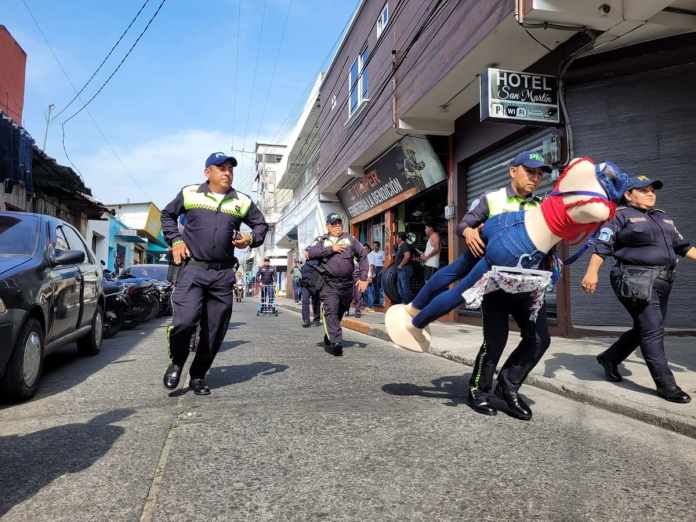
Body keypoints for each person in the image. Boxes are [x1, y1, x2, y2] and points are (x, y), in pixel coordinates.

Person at [581, 175, 696, 404]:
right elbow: (602, 245)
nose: (650, 193)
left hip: (663, 280)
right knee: (652, 329)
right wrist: (591, 272)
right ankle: (667, 385)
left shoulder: (663, 218)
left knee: (646, 327)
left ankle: (610, 358)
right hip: (635, 278)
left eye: (652, 189)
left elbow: (683, 247)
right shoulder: (620, 216)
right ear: (628, 194)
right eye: (643, 190)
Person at [161, 152, 268, 395]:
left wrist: (250, 238)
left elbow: (261, 225)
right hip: (193, 269)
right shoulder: (190, 193)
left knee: (215, 329)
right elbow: (167, 215)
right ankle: (177, 361)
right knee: (184, 321)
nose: (227, 172)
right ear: (207, 172)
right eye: (221, 167)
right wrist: (176, 240)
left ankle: (198, 375)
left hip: (222, 274)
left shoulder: (241, 201)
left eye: (230, 168)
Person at [406, 151, 548, 326]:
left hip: (509, 271)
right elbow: (462, 225)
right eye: (530, 172)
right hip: (480, 253)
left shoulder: (540, 206)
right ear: (513, 171)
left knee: (461, 292)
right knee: (454, 277)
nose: (535, 178)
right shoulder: (493, 198)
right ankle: (414, 308)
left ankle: (416, 317)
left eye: (540, 174)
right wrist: (469, 232)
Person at [307, 213, 368, 356]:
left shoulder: (350, 239)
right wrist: (331, 249)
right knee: (331, 310)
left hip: (347, 284)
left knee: (341, 310)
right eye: (334, 224)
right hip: (329, 284)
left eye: (339, 223)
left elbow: (363, 255)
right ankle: (336, 341)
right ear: (328, 226)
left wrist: (364, 277)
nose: (337, 226)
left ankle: (331, 332)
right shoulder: (322, 240)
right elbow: (309, 253)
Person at [300, 248, 321, 327]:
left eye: (306, 253)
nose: (304, 254)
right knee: (305, 302)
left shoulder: (316, 261)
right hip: (305, 286)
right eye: (304, 253)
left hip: (314, 285)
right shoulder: (306, 262)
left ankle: (316, 320)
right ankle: (306, 320)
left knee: (316, 303)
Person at [394, 232, 416, 303]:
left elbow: (407, 256)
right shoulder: (400, 246)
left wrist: (400, 265)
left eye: (397, 237)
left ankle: (411, 304)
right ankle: (404, 303)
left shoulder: (404, 245)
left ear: (400, 238)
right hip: (401, 270)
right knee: (400, 288)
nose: (396, 239)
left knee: (405, 288)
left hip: (405, 269)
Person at [371, 240, 384, 306]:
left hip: (380, 269)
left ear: (379, 247)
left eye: (376, 246)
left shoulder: (382, 253)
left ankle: (380, 301)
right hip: (373, 269)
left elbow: (384, 262)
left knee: (380, 285)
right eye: (374, 246)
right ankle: (376, 300)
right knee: (374, 285)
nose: (375, 247)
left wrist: (382, 270)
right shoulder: (371, 253)